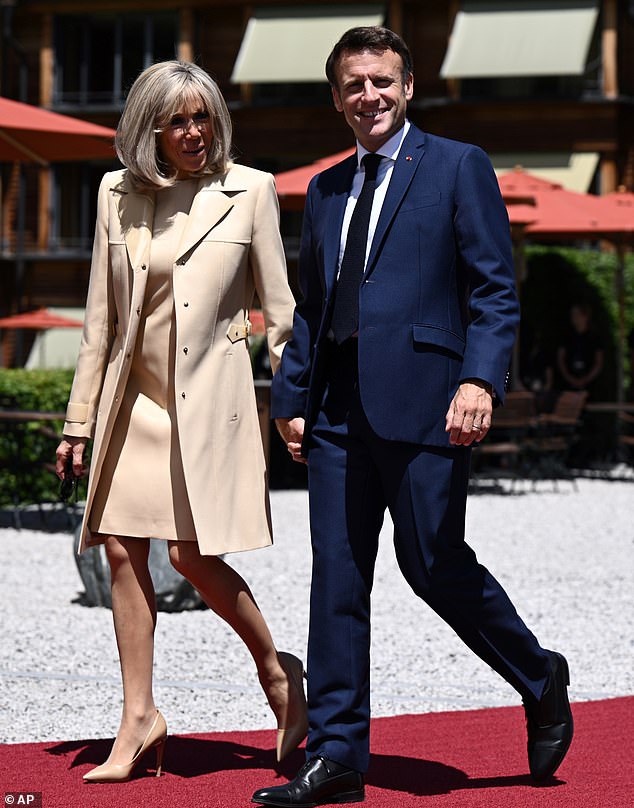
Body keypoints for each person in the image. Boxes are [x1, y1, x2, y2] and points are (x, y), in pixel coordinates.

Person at [252, 27, 573, 807]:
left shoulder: (458, 166)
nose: (369, 96)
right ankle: (337, 756)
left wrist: (480, 380)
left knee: (431, 563)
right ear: (337, 97)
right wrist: (291, 403)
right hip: (334, 412)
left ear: (409, 85)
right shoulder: (326, 189)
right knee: (337, 577)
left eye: (382, 81)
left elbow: (494, 290)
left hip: (429, 401)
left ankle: (540, 674)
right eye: (354, 84)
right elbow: (313, 309)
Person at [55, 60, 306, 783]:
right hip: (134, 401)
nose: (195, 132)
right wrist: (78, 424)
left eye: (204, 117)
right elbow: (99, 323)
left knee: (193, 557)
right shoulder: (116, 194)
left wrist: (291, 405)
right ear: (150, 129)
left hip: (209, 402)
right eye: (178, 121)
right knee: (123, 552)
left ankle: (280, 671)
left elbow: (281, 313)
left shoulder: (252, 191)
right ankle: (139, 718)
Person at [557, 302, 604, 398]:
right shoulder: (567, 336)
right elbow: (561, 359)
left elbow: (598, 362)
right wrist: (569, 378)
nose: (574, 318)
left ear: (585, 316)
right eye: (573, 314)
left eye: (577, 314)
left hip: (590, 385)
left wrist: (586, 379)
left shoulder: (594, 337)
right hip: (569, 383)